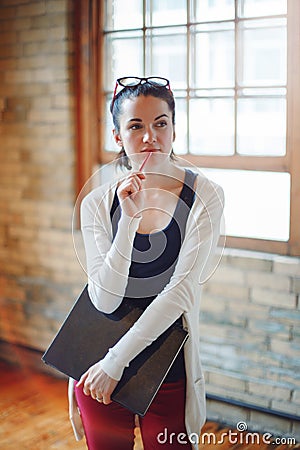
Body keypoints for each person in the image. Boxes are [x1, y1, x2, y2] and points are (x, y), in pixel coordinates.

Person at [68, 76, 224, 449]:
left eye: (160, 123)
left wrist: (116, 362)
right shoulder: (98, 203)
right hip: (95, 361)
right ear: (118, 136)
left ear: (174, 129)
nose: (150, 136)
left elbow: (181, 292)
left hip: (164, 365)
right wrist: (130, 222)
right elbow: (104, 300)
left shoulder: (205, 195)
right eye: (135, 126)